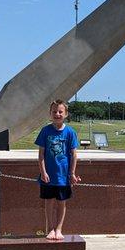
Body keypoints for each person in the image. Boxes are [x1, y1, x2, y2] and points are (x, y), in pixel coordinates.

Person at [35, 99, 81, 240]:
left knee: (62, 202)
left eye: (60, 111)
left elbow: (73, 154)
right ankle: (50, 229)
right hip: (48, 176)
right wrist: (43, 172)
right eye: (54, 111)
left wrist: (72, 174)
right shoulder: (45, 131)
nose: (57, 114)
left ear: (66, 114)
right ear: (50, 114)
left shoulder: (70, 132)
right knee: (48, 202)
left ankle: (59, 229)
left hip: (63, 177)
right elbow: (41, 154)